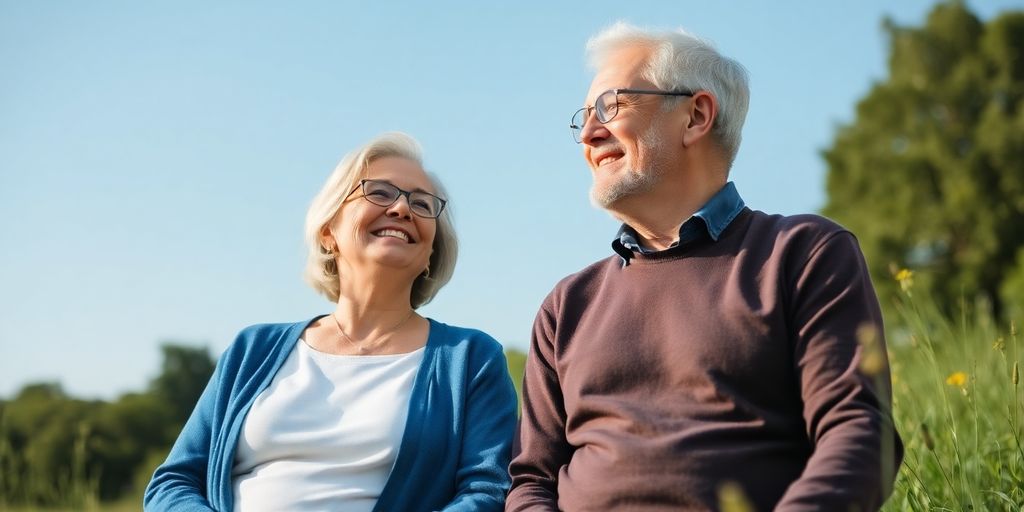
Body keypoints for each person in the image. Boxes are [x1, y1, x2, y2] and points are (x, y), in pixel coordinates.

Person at [507, 22, 903, 511]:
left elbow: (858, 432)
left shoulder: (803, 254)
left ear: (696, 116)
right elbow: (532, 481)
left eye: (611, 106)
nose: (588, 133)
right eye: (583, 117)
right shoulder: (567, 306)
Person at [145, 132, 518, 511]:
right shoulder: (252, 349)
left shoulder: (471, 358)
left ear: (430, 254)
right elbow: (173, 482)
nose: (403, 210)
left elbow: (486, 491)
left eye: (422, 203)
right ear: (328, 233)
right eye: (380, 192)